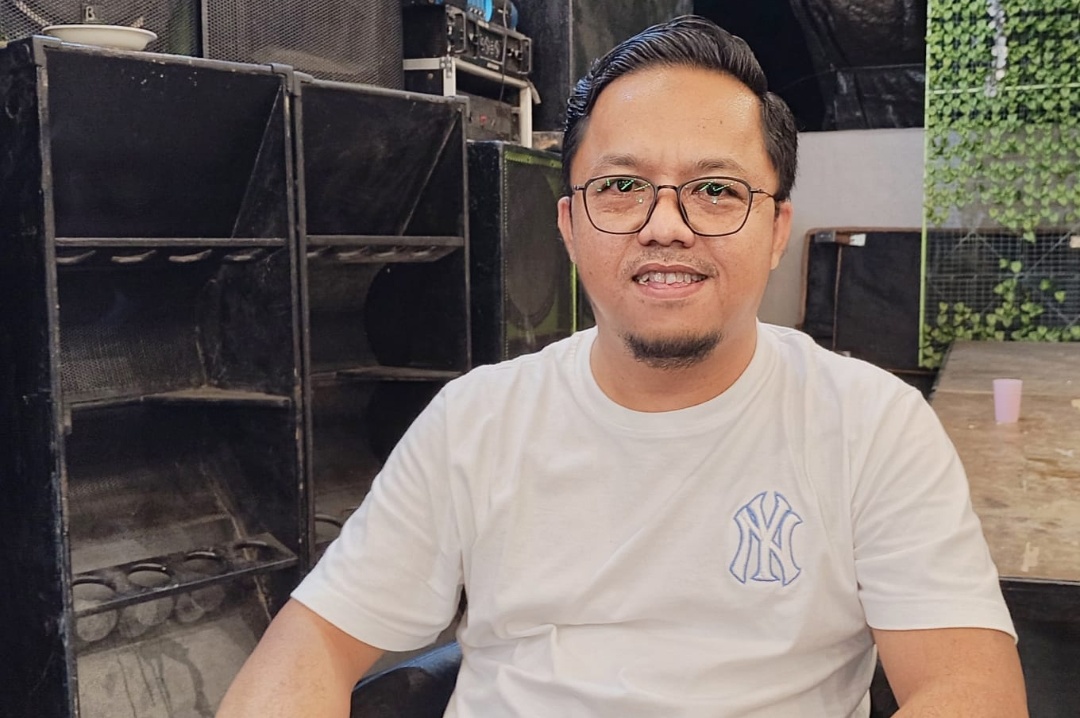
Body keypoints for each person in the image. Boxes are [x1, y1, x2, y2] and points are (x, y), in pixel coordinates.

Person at [218, 15, 1027, 717]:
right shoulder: (478, 421)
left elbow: (970, 687)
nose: (665, 226)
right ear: (570, 225)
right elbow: (313, 642)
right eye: (621, 187)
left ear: (778, 229)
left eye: (716, 191)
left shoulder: (871, 427)